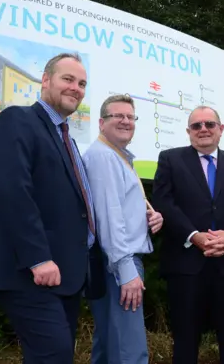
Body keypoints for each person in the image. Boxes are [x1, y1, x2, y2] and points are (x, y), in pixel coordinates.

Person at [0, 52, 106, 364]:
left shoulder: (67, 139)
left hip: (67, 275)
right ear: (45, 81)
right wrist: (38, 258)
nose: (76, 88)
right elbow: (13, 192)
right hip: (31, 270)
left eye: (82, 83)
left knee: (50, 356)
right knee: (54, 356)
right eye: (68, 79)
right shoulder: (17, 120)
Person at [152, 105, 224, 364]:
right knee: (186, 340)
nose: (203, 130)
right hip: (186, 267)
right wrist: (193, 235)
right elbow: (164, 202)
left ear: (221, 130)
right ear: (188, 131)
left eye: (209, 124)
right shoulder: (170, 159)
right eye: (196, 126)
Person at [82, 94, 164, 364]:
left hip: (115, 263)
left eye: (130, 117)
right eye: (117, 116)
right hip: (119, 265)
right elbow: (109, 217)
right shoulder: (104, 157)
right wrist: (126, 270)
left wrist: (149, 216)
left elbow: (120, 208)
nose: (125, 121)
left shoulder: (115, 156)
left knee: (109, 347)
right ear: (101, 123)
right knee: (130, 351)